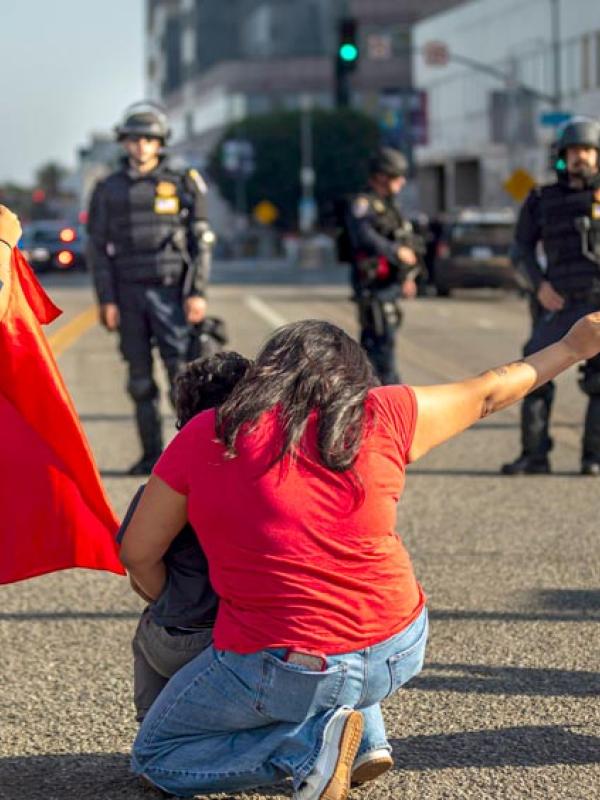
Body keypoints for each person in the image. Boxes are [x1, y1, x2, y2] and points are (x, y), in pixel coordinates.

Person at [119, 313, 600, 800]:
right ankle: (364, 737)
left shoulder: (212, 431)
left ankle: (306, 750)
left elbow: (138, 554)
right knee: (340, 641)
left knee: (158, 757)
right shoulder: (383, 413)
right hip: (398, 646)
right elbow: (489, 391)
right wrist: (571, 346)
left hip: (290, 665)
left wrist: (191, 607)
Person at [117, 352, 251, 722]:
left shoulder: (169, 483)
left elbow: (136, 557)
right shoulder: (271, 472)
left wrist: (172, 598)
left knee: (149, 632)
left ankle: (154, 724)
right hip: (256, 631)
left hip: (186, 634)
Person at [86, 101, 216, 476]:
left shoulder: (182, 183)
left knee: (183, 377)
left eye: (149, 139)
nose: (142, 146)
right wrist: (106, 300)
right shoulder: (108, 189)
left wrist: (198, 292)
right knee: (140, 381)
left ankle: (191, 461)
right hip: (127, 295)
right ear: (124, 143)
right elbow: (97, 248)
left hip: (173, 293)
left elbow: (201, 242)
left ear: (160, 143)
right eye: (134, 139)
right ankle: (151, 457)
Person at [502, 116, 600, 476]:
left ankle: (594, 457)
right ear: (562, 155)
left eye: (589, 150)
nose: (582, 157)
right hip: (557, 304)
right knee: (532, 374)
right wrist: (539, 285)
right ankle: (534, 455)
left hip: (599, 303)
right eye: (575, 150)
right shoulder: (542, 199)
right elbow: (520, 250)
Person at [343, 146, 424, 384]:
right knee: (380, 352)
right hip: (372, 287)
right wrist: (396, 252)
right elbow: (364, 236)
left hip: (389, 287)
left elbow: (403, 237)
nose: (401, 182)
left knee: (379, 348)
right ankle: (390, 404)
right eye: (397, 177)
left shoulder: (391, 207)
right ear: (381, 176)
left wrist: (408, 277)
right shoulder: (363, 204)